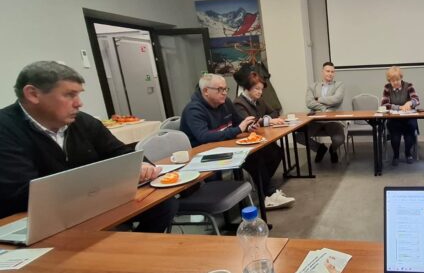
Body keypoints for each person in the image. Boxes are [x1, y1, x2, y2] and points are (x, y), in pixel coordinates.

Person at [0, 61, 177, 232]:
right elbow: (22, 195)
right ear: (33, 94)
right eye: (69, 95)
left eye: (78, 95)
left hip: (89, 203)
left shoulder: (82, 121)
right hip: (36, 218)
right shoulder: (6, 129)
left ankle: (135, 248)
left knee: (162, 204)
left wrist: (141, 165)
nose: (79, 103)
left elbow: (120, 152)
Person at [180, 73, 294, 210]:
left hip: (225, 147)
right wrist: (238, 129)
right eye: (220, 89)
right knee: (252, 158)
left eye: (225, 89)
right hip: (203, 156)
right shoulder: (193, 110)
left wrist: (248, 126)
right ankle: (229, 207)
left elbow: (239, 122)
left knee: (261, 153)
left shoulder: (225, 102)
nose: (224, 93)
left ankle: (268, 195)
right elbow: (204, 137)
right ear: (205, 91)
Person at [304, 62, 346, 163]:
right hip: (315, 120)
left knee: (339, 139)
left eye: (332, 72)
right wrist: (324, 108)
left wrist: (318, 99)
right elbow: (309, 102)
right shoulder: (313, 86)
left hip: (333, 120)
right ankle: (320, 149)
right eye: (328, 71)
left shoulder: (339, 85)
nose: (330, 74)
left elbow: (336, 99)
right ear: (322, 72)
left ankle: (333, 150)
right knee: (299, 136)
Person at [381, 66, 420, 165]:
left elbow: (416, 100)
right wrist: (399, 107)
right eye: (392, 81)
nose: (395, 82)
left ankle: (408, 153)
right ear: (389, 80)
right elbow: (384, 104)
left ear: (401, 78)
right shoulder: (387, 87)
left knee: (410, 131)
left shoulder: (409, 86)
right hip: (394, 119)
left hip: (408, 118)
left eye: (397, 80)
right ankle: (396, 155)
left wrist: (410, 103)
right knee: (395, 136)